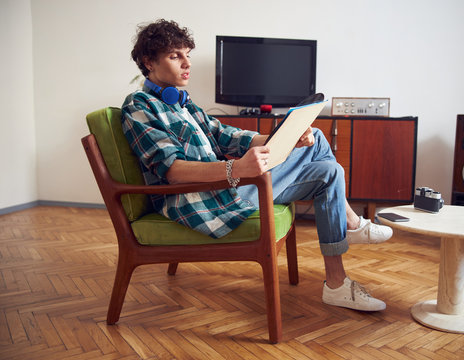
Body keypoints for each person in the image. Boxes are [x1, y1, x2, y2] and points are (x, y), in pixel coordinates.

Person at [122, 19, 393, 311]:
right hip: (203, 199)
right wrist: (236, 170)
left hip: (224, 189)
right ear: (149, 62)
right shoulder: (140, 107)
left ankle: (337, 282)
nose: (187, 63)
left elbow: (226, 136)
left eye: (188, 54)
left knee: (330, 170)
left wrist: (281, 138)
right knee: (318, 138)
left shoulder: (183, 104)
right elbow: (173, 171)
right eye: (176, 56)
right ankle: (351, 228)